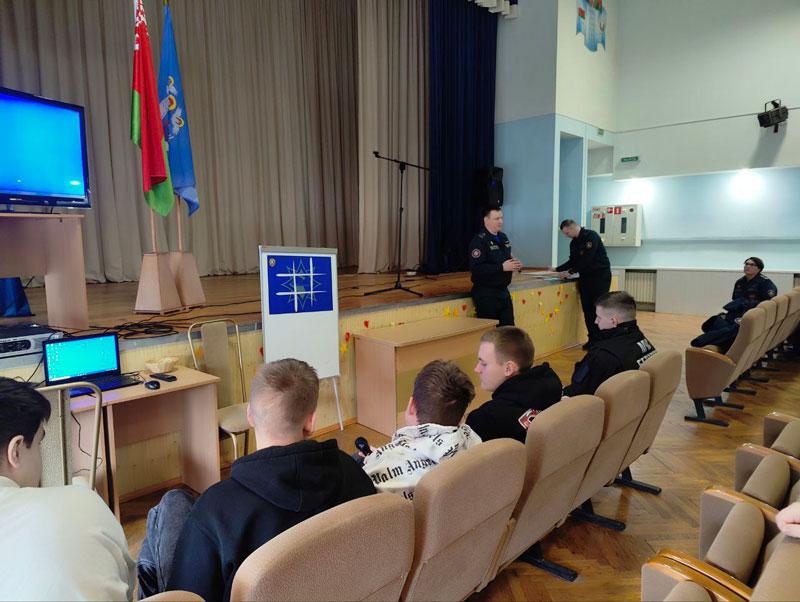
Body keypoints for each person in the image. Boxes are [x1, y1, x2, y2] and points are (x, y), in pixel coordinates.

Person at [138, 359, 375, 602]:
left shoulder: (215, 509)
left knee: (172, 503)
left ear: (250, 414)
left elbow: (187, 594)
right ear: (310, 421)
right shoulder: (351, 472)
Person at [0, 377, 134, 601]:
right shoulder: (80, 501)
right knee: (173, 505)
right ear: (16, 451)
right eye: (40, 444)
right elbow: (126, 585)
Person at [361, 360, 481, 500]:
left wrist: (378, 460)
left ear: (412, 406)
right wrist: (385, 455)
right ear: (461, 416)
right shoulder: (473, 440)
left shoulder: (375, 474)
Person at [465, 326, 563, 442]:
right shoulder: (553, 386)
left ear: (508, 368)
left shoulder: (484, 419)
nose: (477, 369)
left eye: (484, 364)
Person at [563, 291, 656, 397]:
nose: (596, 321)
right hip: (635, 400)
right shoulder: (639, 337)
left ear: (613, 321)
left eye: (599, 317)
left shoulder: (602, 355)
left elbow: (578, 390)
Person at [691, 257, 778, 352]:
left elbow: (767, 305)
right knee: (714, 322)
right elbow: (735, 300)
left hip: (752, 316)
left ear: (759, 269)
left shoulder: (765, 283)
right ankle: (720, 340)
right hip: (736, 314)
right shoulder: (740, 282)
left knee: (736, 329)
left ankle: (701, 341)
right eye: (746, 264)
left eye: (751, 265)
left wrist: (748, 316)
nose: (747, 266)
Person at [555, 219, 611, 348]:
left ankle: (602, 340)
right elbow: (573, 261)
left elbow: (587, 259)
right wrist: (556, 269)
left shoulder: (591, 236)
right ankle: (593, 339)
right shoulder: (574, 243)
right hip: (586, 279)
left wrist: (570, 272)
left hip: (600, 278)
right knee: (588, 310)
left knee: (599, 310)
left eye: (567, 232)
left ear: (572, 227)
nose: (566, 236)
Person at [468, 206, 522, 326]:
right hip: (486, 294)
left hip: (503, 291)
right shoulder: (479, 241)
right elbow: (476, 269)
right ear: (486, 220)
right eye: (496, 219)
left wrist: (514, 263)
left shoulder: (503, 237)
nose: (501, 221)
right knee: (491, 332)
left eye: (501, 218)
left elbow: (505, 257)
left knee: (509, 331)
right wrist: (502, 267)